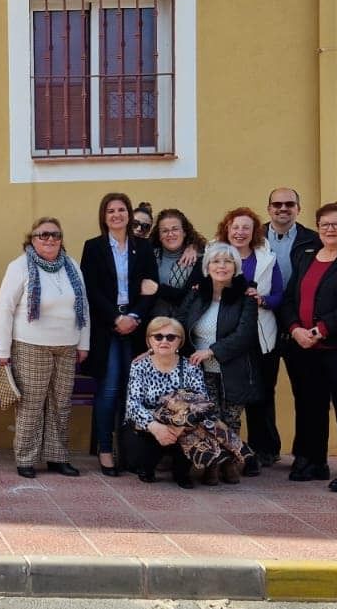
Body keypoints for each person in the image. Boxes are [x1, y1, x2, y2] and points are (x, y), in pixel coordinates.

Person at [279, 202, 337, 491]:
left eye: (336, 224)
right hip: (303, 348)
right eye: (324, 225)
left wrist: (321, 329)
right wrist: (295, 329)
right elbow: (290, 298)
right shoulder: (306, 256)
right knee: (309, 407)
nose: (330, 229)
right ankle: (314, 461)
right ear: (317, 228)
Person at [0, 218, 90, 479]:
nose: (50, 240)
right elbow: (5, 309)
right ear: (32, 238)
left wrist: (84, 343)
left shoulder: (72, 266)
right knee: (31, 404)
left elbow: (84, 306)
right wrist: (2, 351)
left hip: (67, 346)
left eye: (55, 235)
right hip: (31, 345)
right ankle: (26, 458)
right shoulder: (20, 266)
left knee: (61, 404)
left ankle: (57, 457)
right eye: (43, 234)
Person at [79, 193, 158, 475]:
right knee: (110, 389)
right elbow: (92, 289)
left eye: (121, 209)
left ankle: (131, 452)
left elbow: (151, 285)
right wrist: (116, 317)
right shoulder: (94, 247)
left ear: (129, 214)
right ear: (104, 216)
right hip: (107, 326)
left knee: (132, 391)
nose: (116, 215)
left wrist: (135, 316)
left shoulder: (144, 248)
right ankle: (105, 449)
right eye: (110, 210)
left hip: (135, 326)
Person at [174, 242, 260, 482]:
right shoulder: (196, 292)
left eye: (227, 261)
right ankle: (213, 464)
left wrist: (211, 351)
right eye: (215, 261)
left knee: (231, 418)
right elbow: (179, 322)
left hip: (234, 368)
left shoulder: (246, 295)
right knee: (210, 418)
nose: (221, 266)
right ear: (206, 266)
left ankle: (232, 464)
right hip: (200, 369)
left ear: (236, 267)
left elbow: (245, 334)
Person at [214, 206, 285, 465]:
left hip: (261, 335)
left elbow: (278, 294)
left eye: (246, 228)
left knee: (262, 394)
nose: (240, 232)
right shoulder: (215, 254)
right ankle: (228, 451)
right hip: (226, 336)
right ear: (227, 229)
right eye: (235, 227)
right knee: (227, 396)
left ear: (254, 231)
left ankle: (264, 449)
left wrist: (263, 300)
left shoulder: (267, 258)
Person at [122, 316, 206, 488]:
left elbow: (202, 402)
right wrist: (155, 426)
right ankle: (147, 467)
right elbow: (133, 405)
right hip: (149, 424)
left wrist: (179, 426)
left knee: (194, 427)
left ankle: (182, 472)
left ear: (180, 341)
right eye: (158, 336)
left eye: (171, 337)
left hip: (182, 423)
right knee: (141, 457)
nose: (164, 341)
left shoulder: (191, 366)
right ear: (149, 340)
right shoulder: (139, 366)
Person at [147, 207, 205, 314]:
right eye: (165, 231)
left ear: (184, 232)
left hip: (183, 324)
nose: (170, 234)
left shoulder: (198, 259)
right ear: (159, 236)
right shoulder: (149, 256)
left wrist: (158, 289)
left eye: (175, 229)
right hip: (151, 323)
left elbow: (190, 297)